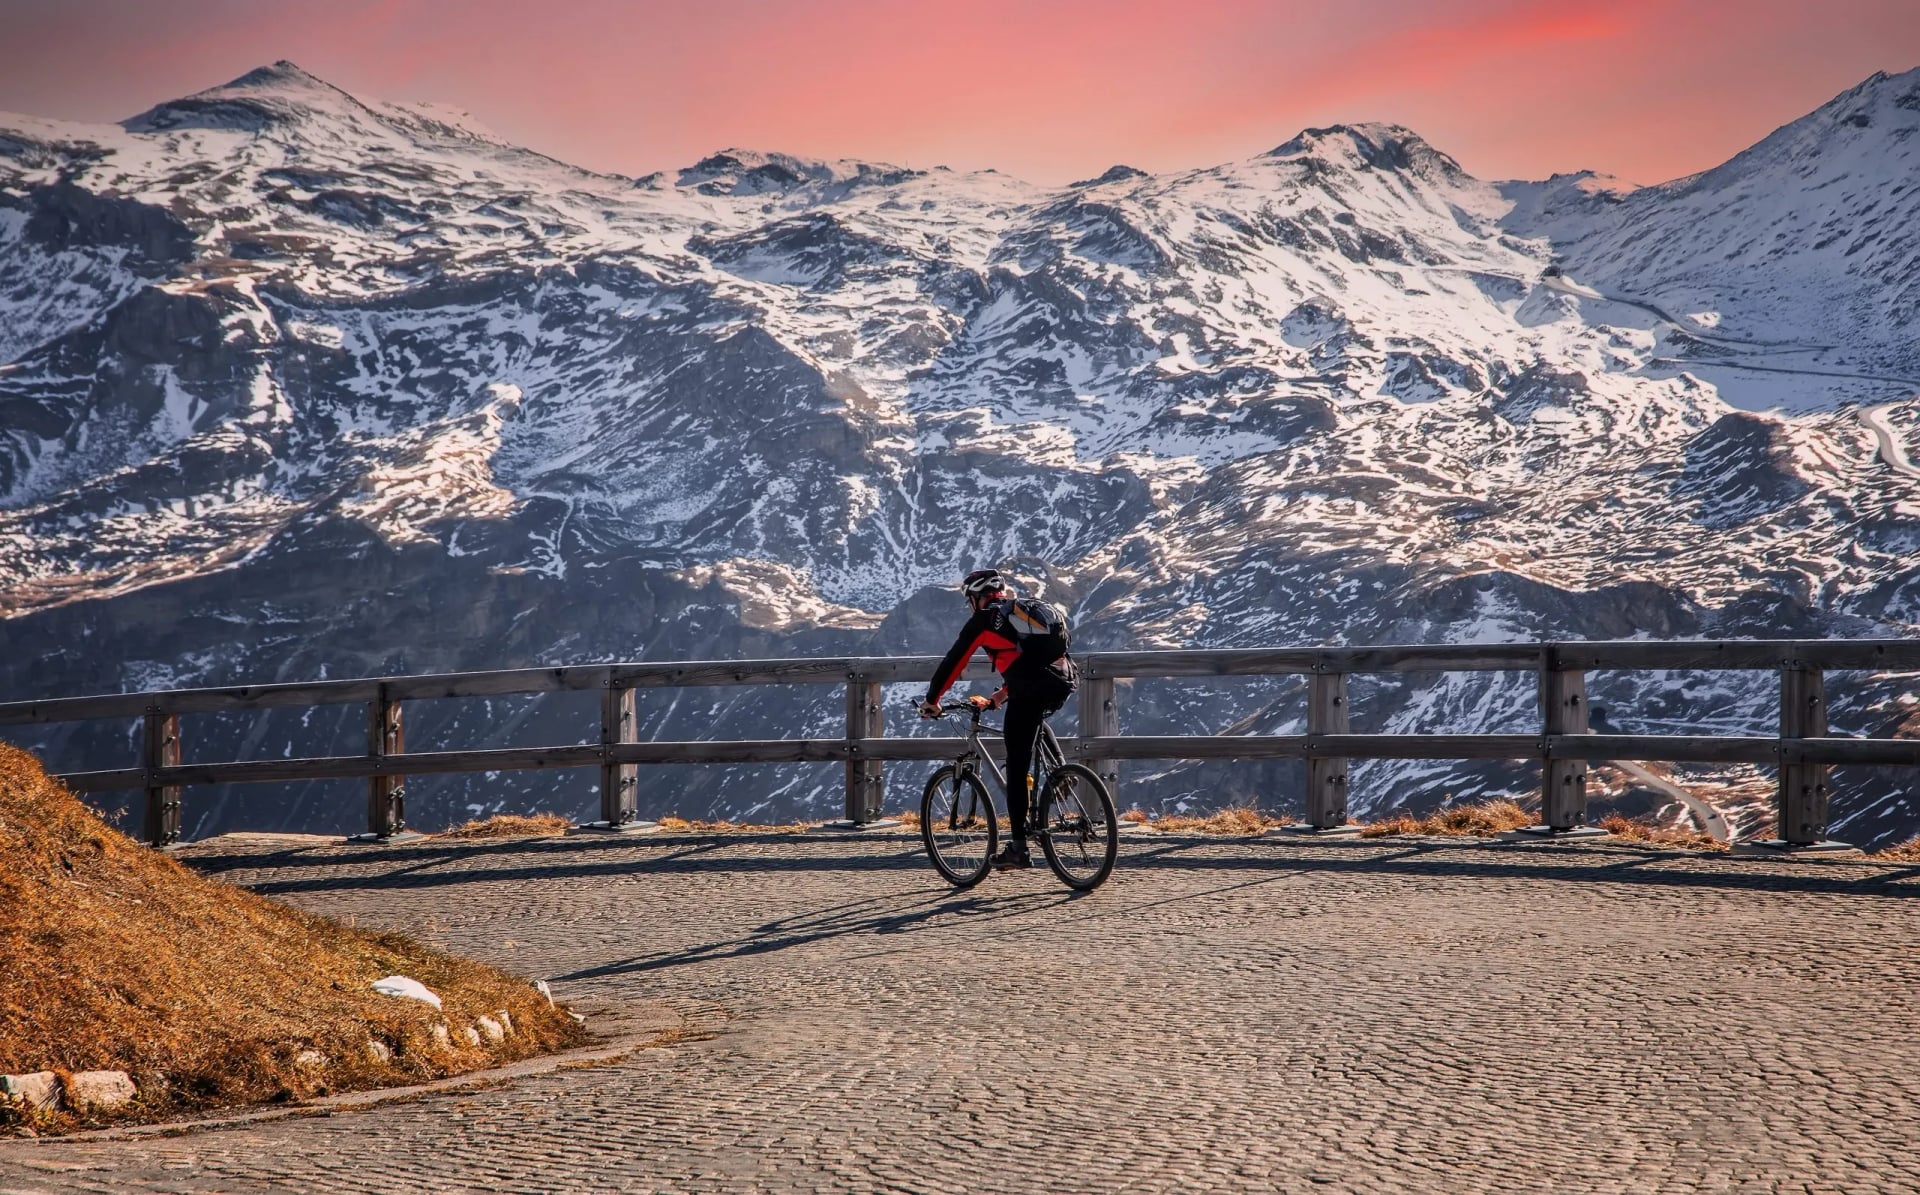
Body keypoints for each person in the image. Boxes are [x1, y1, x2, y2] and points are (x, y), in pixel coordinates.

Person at [918, 569, 1077, 870]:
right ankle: (1060, 773)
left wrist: (932, 701)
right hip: (1063, 680)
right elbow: (1030, 662)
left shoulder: (984, 621)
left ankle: (1019, 849)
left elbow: (954, 662)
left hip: (1031, 688)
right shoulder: (1020, 615)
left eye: (970, 601)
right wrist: (999, 698)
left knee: (1016, 763)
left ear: (976, 599)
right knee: (1033, 721)